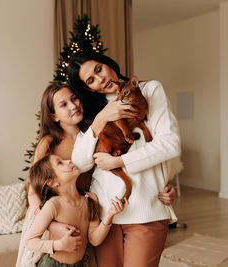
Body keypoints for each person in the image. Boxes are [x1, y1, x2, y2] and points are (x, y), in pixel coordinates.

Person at [15, 82, 176, 267]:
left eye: (74, 98)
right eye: (64, 105)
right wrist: (50, 223)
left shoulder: (96, 130)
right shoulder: (49, 143)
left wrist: (164, 181)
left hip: (86, 212)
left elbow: (120, 164)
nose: (73, 105)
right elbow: (33, 189)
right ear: (54, 116)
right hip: (53, 217)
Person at [67, 50, 181, 267]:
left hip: (146, 211)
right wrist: (102, 118)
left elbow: (170, 144)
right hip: (105, 216)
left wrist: (119, 162)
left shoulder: (149, 90)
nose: (100, 80)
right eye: (91, 80)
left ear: (108, 63)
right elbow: (80, 163)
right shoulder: (92, 110)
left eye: (99, 69)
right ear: (87, 88)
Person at [25, 154, 128, 267]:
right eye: (60, 163)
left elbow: (94, 239)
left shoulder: (90, 200)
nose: (68, 160)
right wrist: (58, 245)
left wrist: (109, 216)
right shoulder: (53, 205)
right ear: (52, 182)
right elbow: (29, 241)